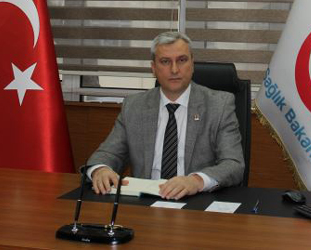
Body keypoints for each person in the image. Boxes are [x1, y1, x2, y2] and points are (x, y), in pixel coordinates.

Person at [86, 31, 245, 200]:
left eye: (182, 60)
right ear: (153, 68)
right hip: (145, 202)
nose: (174, 69)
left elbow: (233, 164)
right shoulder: (134, 106)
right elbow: (108, 154)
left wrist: (196, 181)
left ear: (192, 64)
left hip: (195, 201)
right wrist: (100, 169)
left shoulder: (219, 105)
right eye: (165, 61)